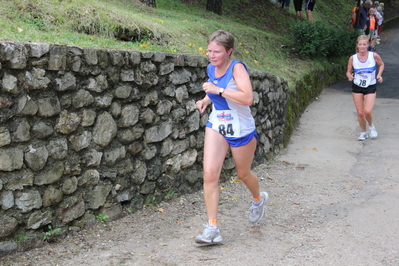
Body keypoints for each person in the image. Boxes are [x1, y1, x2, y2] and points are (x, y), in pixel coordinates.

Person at [194, 30, 269, 244]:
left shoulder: (237, 68)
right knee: (209, 174)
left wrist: (217, 91)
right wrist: (205, 100)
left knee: (243, 173)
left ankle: (257, 199)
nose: (212, 55)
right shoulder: (211, 67)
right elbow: (213, 90)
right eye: (209, 51)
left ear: (229, 51)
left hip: (240, 127)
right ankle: (212, 228)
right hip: (218, 123)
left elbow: (247, 98)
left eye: (217, 51)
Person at [346, 35, 384, 141]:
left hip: (370, 86)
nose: (362, 46)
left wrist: (379, 75)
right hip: (357, 86)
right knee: (360, 112)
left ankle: (371, 126)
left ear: (368, 45)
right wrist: (349, 76)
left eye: (364, 44)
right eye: (360, 44)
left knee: (367, 110)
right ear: (357, 46)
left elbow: (381, 64)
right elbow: (348, 71)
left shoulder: (374, 56)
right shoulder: (353, 58)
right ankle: (363, 132)